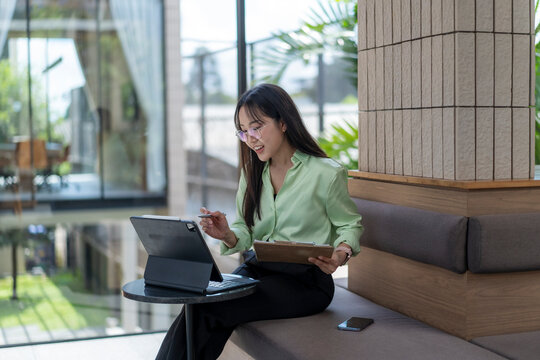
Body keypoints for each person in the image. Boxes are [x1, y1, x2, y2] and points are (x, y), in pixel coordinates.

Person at [156, 83, 363, 360]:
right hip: (258, 270)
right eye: (243, 131)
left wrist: (340, 254)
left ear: (283, 122)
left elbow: (349, 224)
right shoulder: (252, 173)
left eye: (257, 126)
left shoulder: (326, 173)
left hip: (306, 283)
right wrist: (228, 234)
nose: (250, 138)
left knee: (211, 308)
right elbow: (245, 229)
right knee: (198, 302)